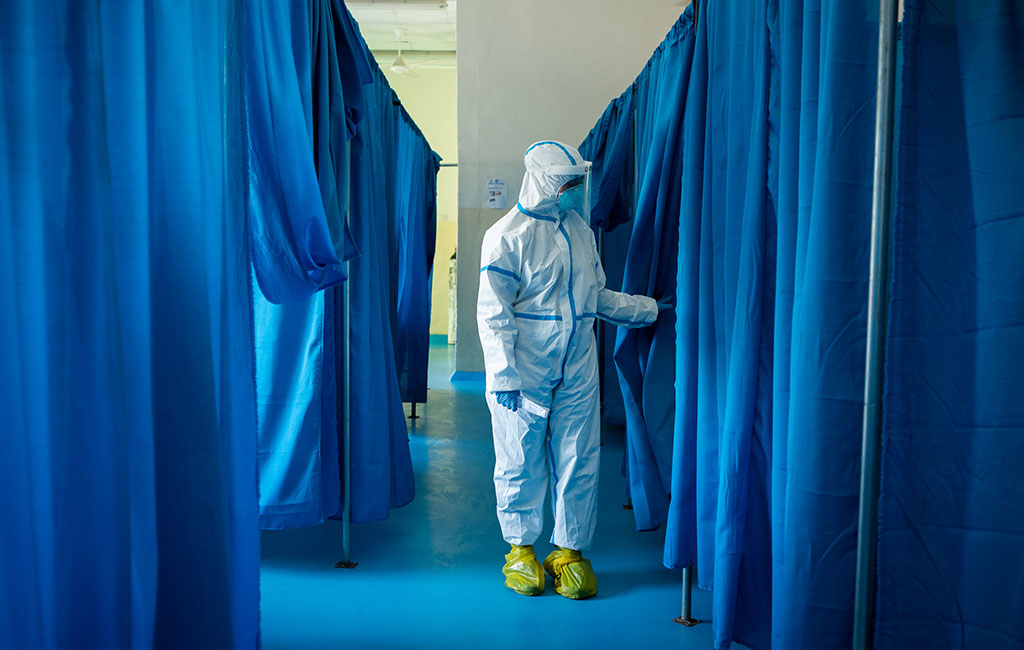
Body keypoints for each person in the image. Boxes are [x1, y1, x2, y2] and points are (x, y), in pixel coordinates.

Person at [477, 140, 671, 599]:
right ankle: (521, 550)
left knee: (579, 459)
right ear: (544, 182)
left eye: (577, 183)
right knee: (519, 458)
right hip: (524, 370)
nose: (575, 191)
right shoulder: (507, 236)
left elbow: (597, 297)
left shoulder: (580, 232)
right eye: (568, 184)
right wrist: (503, 375)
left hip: (578, 365)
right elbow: (492, 313)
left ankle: (568, 551)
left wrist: (648, 310)